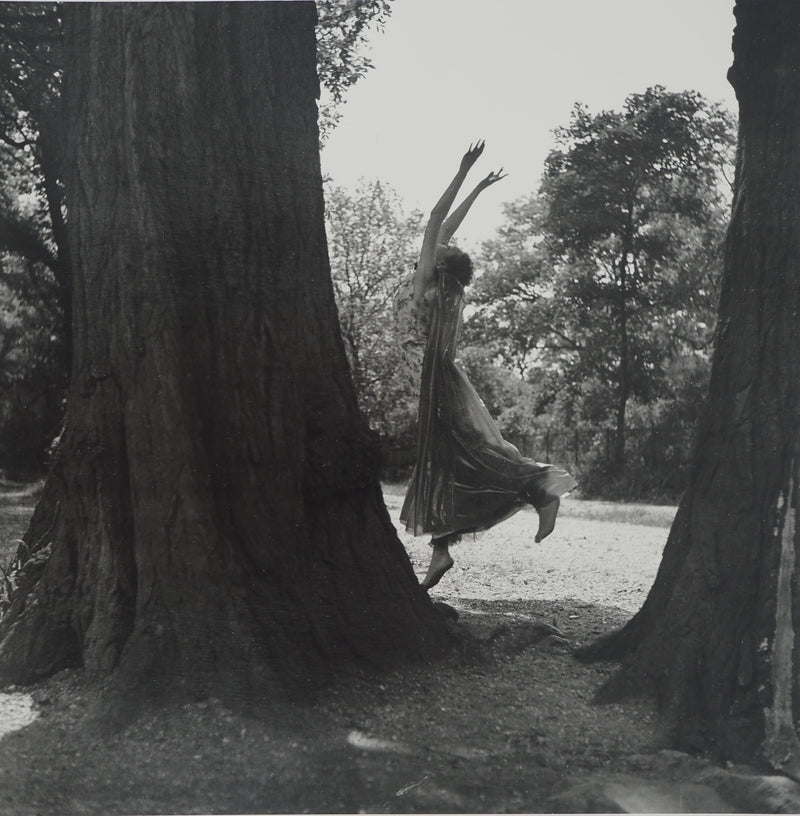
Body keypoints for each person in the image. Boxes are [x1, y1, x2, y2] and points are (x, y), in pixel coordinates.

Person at [396, 141, 577, 590]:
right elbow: (445, 228)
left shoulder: (425, 284)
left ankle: (540, 489)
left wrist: (461, 171)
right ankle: (441, 549)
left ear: (438, 266)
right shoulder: (445, 286)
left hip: (434, 380)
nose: (436, 246)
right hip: (437, 379)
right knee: (448, 463)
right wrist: (476, 187)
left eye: (438, 250)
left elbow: (436, 220)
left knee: (469, 455)